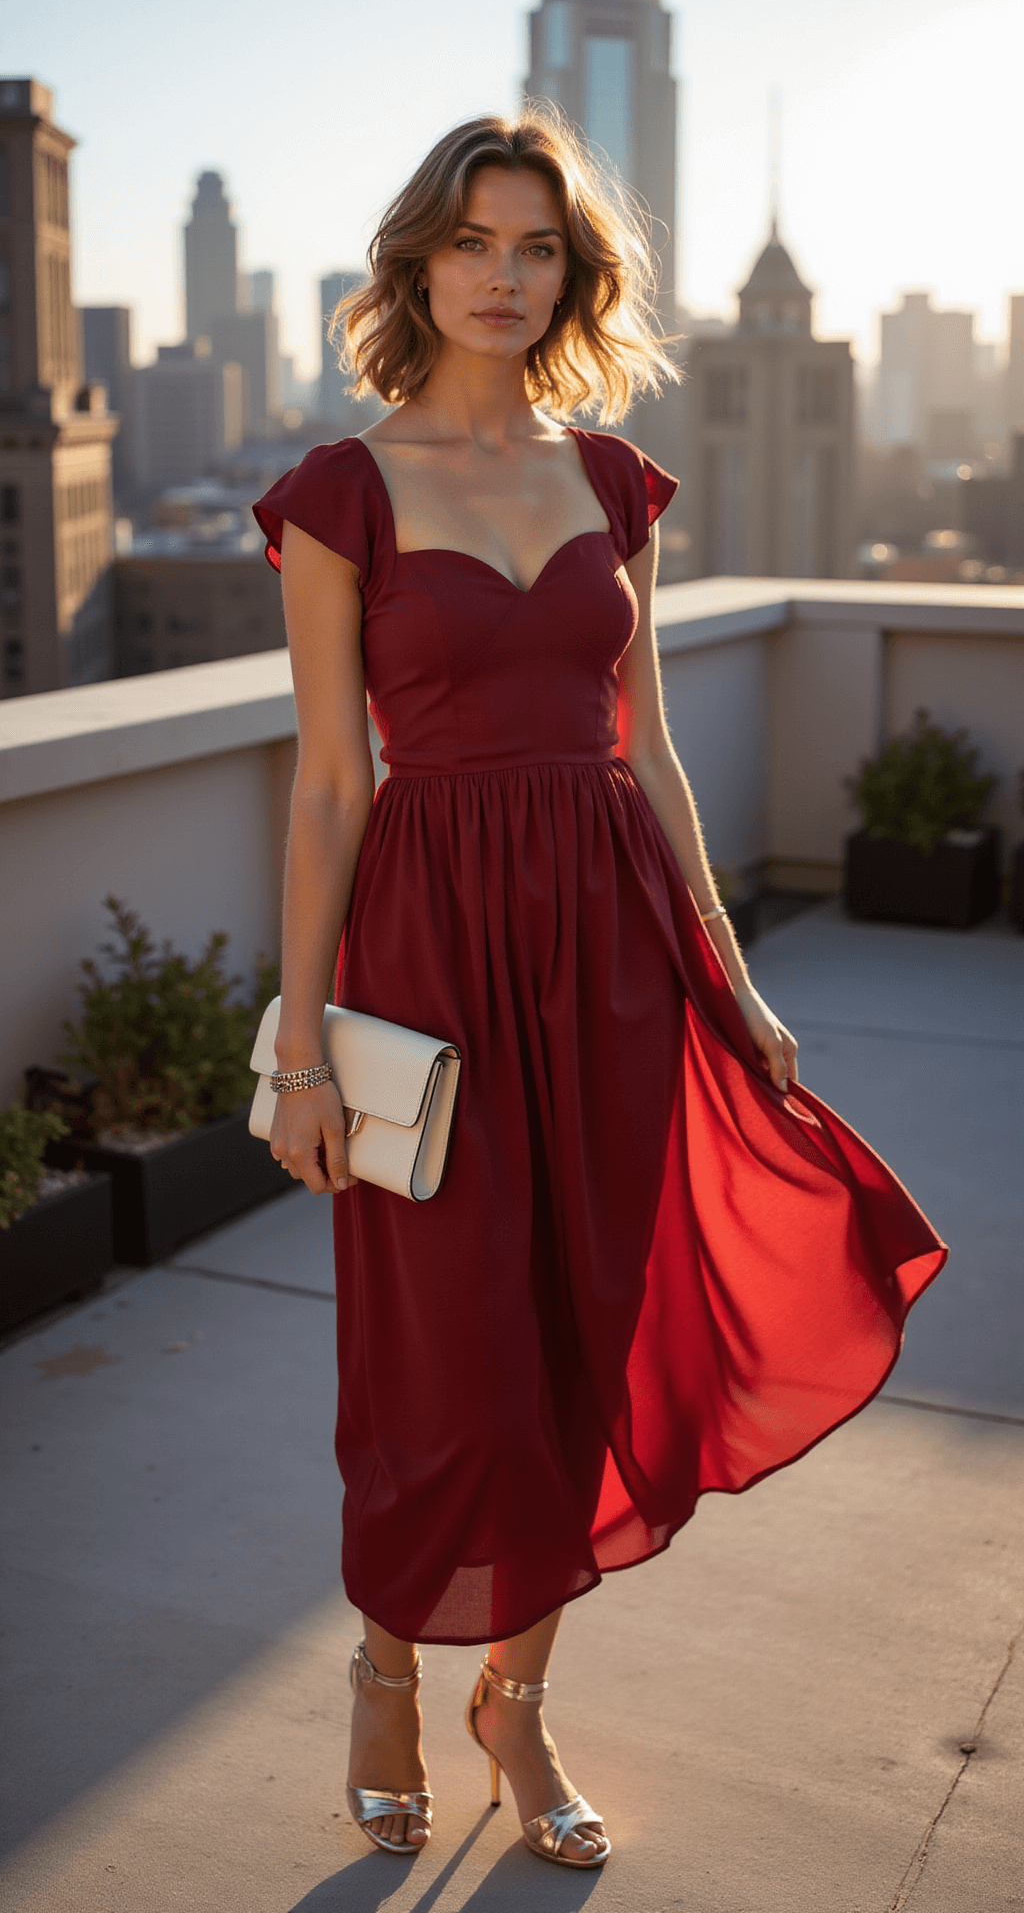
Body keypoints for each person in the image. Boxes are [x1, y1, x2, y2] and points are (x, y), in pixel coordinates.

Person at [253, 109, 946, 1870]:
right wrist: (311, 1047)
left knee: (582, 1338)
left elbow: (650, 758)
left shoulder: (614, 479)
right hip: (428, 964)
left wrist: (727, 969)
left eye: (537, 246)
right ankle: (391, 1664)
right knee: (440, 1356)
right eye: (474, 243)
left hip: (614, 950)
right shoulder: (342, 493)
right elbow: (331, 781)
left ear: (573, 270)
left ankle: (520, 1703)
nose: (504, 274)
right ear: (418, 261)